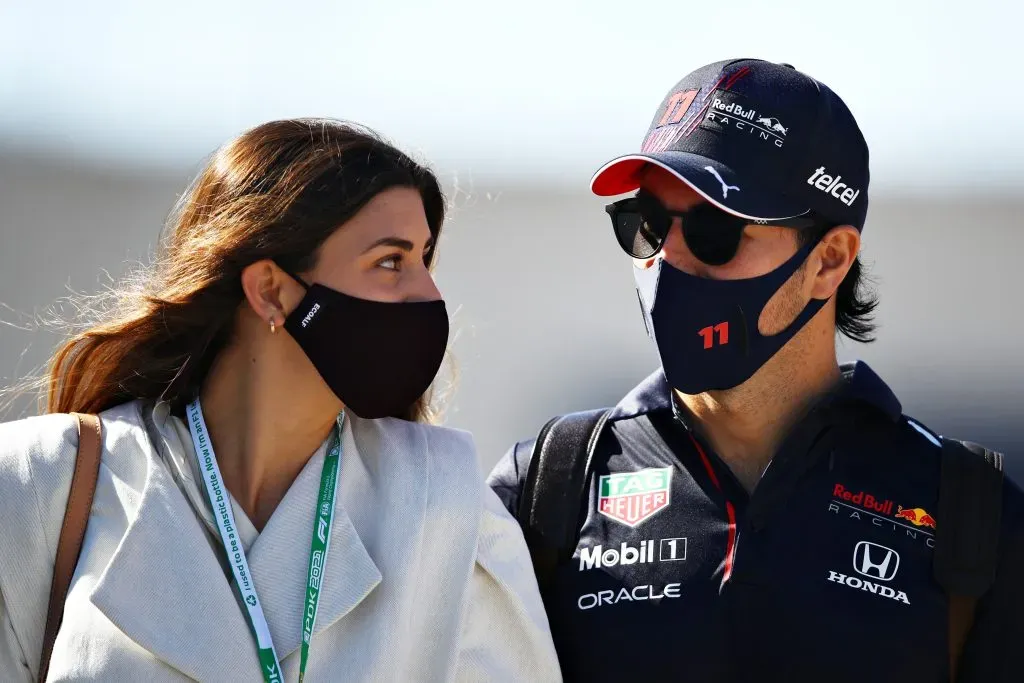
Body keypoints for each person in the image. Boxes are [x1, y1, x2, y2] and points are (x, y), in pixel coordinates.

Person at [488, 58, 1024, 682]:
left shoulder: (970, 510)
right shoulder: (549, 486)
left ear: (829, 260)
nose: (669, 263)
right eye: (648, 227)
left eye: (716, 233)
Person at [0, 118, 561, 682]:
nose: (429, 295)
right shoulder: (42, 483)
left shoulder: (450, 507)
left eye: (424, 259)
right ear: (271, 291)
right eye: (391, 261)